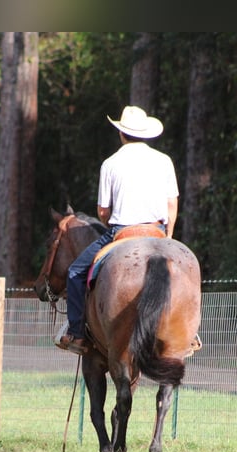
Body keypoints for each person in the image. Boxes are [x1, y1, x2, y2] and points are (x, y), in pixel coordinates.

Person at [56, 105, 180, 355]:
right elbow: (171, 205)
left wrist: (113, 222)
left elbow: (103, 211)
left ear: (121, 134)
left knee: (76, 272)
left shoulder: (110, 163)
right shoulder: (164, 160)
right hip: (157, 231)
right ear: (145, 133)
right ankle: (188, 333)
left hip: (122, 231)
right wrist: (168, 235)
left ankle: (78, 334)